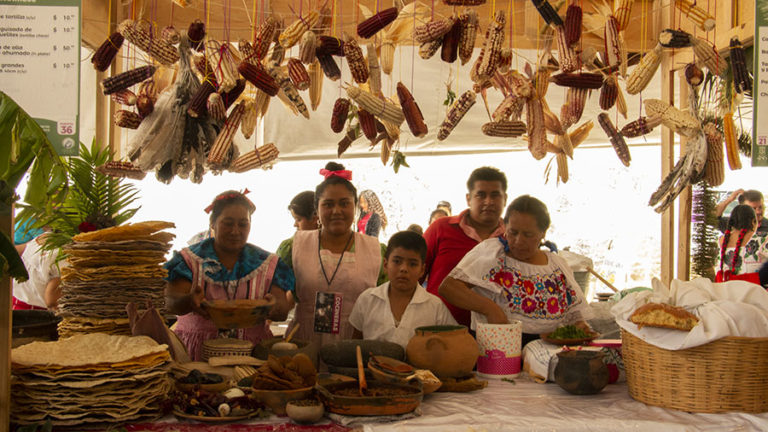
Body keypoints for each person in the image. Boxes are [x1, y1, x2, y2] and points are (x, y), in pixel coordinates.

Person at [439, 195, 592, 346]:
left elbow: (574, 311)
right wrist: (490, 309)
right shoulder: (492, 253)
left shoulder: (557, 265)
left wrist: (580, 324)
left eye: (528, 235)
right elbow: (449, 287)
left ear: (543, 233)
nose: (519, 241)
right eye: (513, 232)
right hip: (497, 347)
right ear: (505, 228)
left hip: (547, 349)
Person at [164, 190, 295, 360]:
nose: (235, 231)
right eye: (228, 223)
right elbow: (171, 302)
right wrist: (189, 300)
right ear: (212, 223)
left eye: (243, 224)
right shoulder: (190, 260)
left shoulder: (267, 263)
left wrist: (271, 306)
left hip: (252, 354)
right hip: (198, 353)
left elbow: (282, 311)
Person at [277, 162, 386, 348]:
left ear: (356, 207)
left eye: (344, 203)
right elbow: (280, 299)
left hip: (354, 347)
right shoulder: (294, 247)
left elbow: (385, 306)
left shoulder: (377, 252)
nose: (336, 211)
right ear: (317, 210)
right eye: (328, 204)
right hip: (303, 344)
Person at [422, 167, 508, 327]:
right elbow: (416, 275)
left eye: (495, 195)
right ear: (469, 199)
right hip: (440, 332)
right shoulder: (441, 228)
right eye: (481, 195)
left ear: (505, 199)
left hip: (496, 333)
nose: (488, 201)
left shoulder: (512, 239)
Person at [350, 231, 457, 348]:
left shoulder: (435, 307)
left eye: (412, 264)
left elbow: (452, 346)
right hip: (369, 366)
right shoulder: (367, 299)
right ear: (385, 264)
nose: (403, 269)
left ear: (422, 270)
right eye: (397, 261)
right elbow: (356, 343)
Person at [715, 204, 767, 283]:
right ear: (753, 222)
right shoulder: (762, 239)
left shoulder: (720, 241)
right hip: (756, 292)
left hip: (726, 293)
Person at [12, 232, 61, 310]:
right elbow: (52, 302)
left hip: (14, 301)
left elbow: (13, 253)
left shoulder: (46, 236)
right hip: (35, 314)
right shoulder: (67, 258)